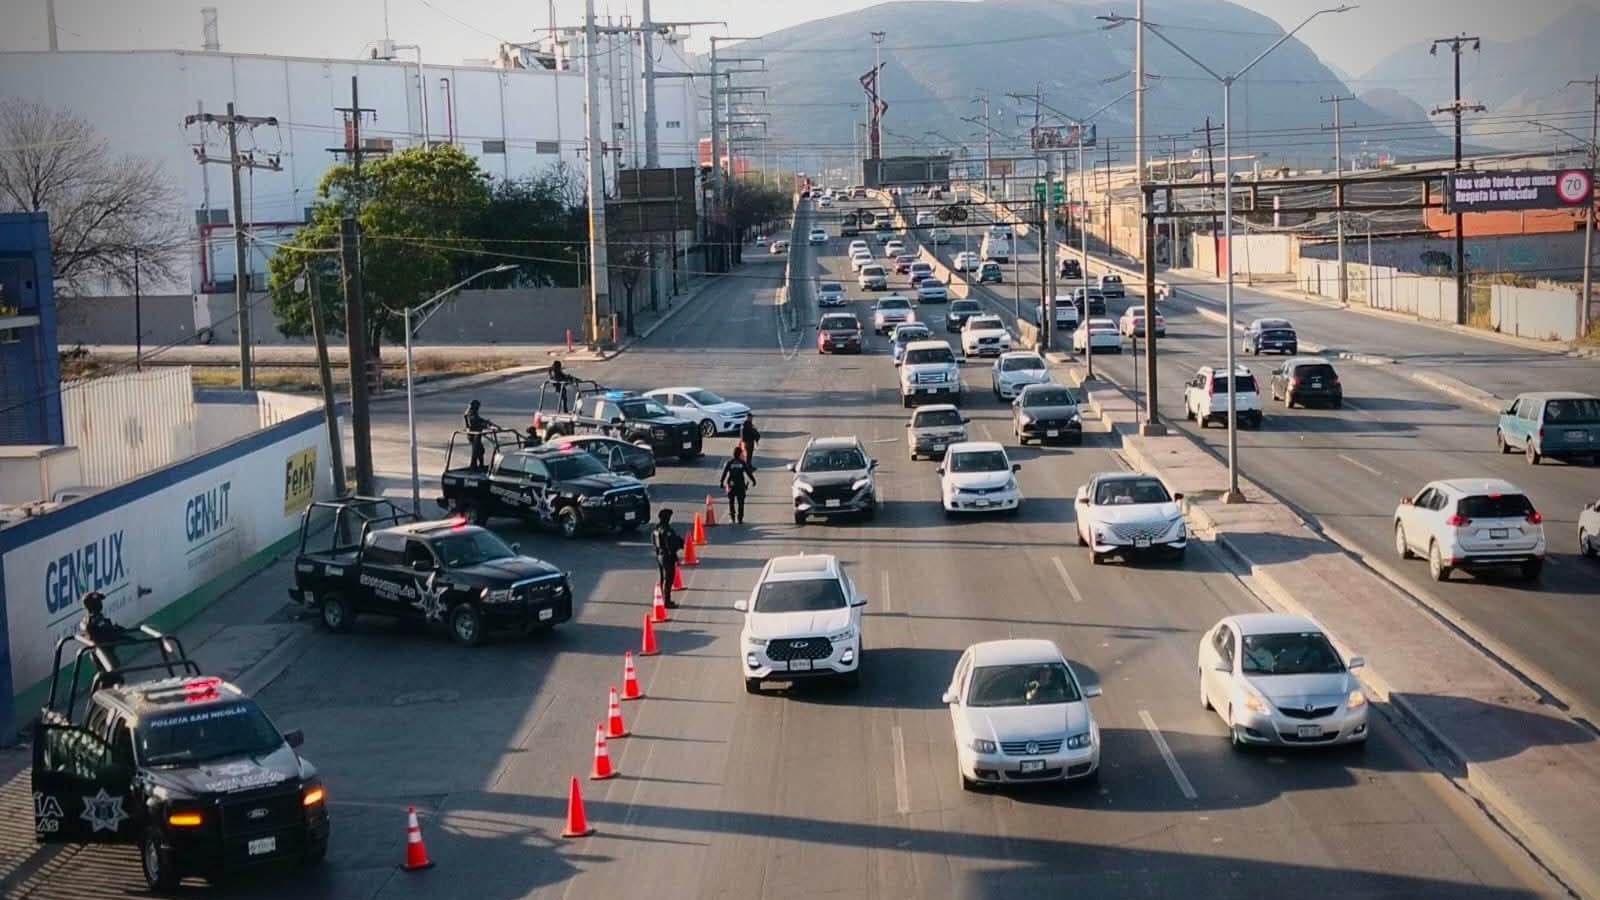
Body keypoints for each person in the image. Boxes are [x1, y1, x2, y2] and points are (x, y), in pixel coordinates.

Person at [77, 591, 130, 678]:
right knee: (114, 676)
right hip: (103, 652)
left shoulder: (87, 619)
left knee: (108, 676)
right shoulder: (95, 619)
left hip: (99, 652)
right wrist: (122, 635)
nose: (101, 603)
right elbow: (108, 634)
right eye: (98, 601)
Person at [650, 509, 684, 609]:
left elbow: (653, 542)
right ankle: (667, 601)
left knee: (662, 578)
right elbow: (672, 545)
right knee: (668, 579)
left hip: (659, 555)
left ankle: (662, 598)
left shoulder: (656, 529)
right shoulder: (667, 530)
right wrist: (676, 556)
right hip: (667, 557)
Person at [720, 445, 758, 524]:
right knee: (741, 502)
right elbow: (748, 472)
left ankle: (732, 518)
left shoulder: (729, 463)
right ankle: (740, 519)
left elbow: (724, 473)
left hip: (731, 485)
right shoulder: (742, 463)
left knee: (731, 502)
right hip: (740, 485)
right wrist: (753, 480)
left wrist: (721, 482)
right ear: (740, 454)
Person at [463, 400, 497, 469]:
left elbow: (478, 419)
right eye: (477, 407)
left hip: (475, 434)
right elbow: (474, 424)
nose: (478, 408)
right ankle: (475, 466)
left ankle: (479, 465)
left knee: (479, 450)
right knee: (477, 451)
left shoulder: (472, 413)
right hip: (474, 435)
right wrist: (485, 425)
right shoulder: (470, 414)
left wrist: (486, 422)